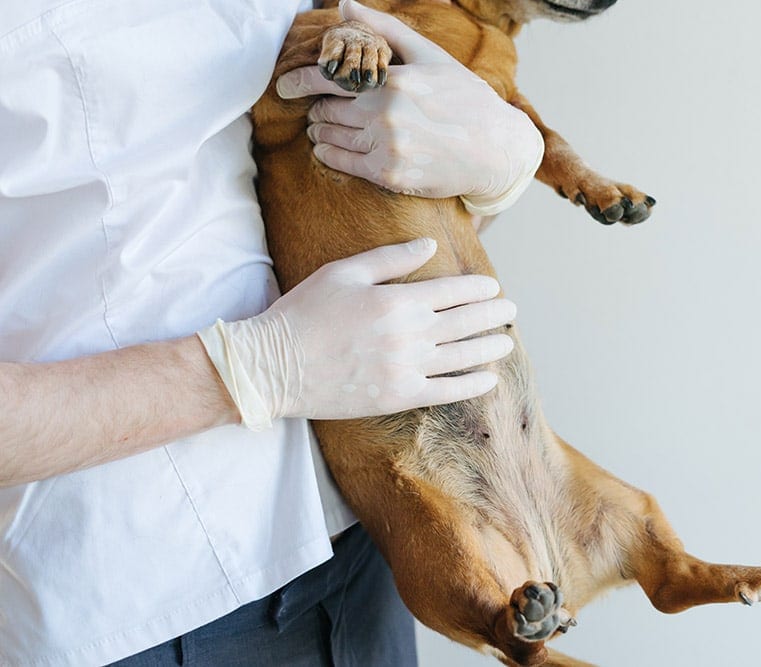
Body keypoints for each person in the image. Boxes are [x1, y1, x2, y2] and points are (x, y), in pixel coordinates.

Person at [0, 0, 544, 664]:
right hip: (141, 595)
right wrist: (253, 369)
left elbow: (341, 175)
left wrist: (486, 163)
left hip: (357, 539)